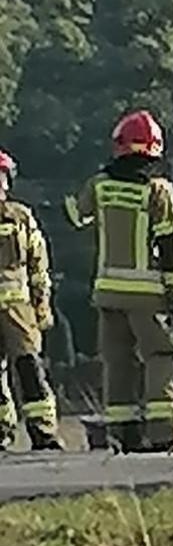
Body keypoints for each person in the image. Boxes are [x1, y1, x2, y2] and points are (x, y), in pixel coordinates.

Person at [65, 111, 173, 453]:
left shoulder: (100, 185)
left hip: (107, 293)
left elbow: (76, 216)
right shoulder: (158, 190)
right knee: (160, 356)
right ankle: (164, 433)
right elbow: (169, 245)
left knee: (117, 361)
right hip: (148, 294)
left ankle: (123, 433)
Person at [0, 149, 63, 452]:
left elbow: (38, 267)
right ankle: (7, 431)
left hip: (19, 311)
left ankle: (42, 432)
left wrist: (42, 305)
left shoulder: (20, 217)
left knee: (29, 368)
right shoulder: (20, 217)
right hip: (19, 309)